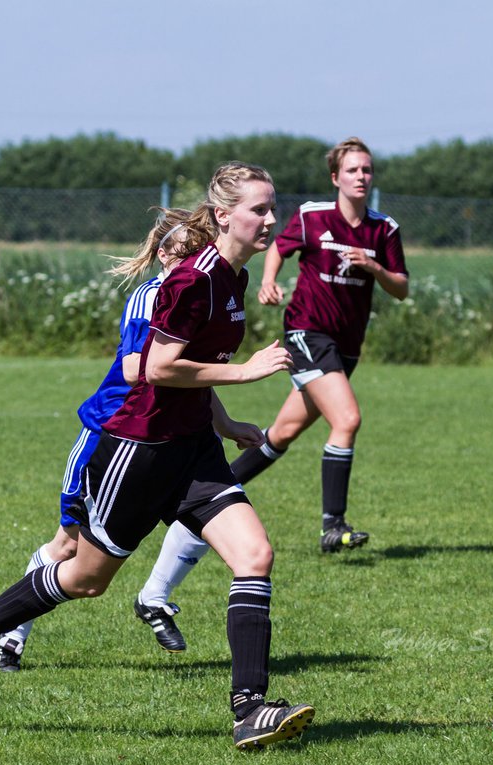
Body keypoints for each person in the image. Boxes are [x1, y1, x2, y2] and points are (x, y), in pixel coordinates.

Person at [0, 162, 316, 750]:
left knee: (255, 554)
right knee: (86, 578)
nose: (272, 219)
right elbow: (154, 368)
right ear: (224, 215)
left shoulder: (233, 278)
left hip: (192, 450)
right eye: (259, 209)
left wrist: (223, 422)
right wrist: (247, 372)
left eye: (273, 207)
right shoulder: (190, 281)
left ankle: (249, 710)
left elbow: (192, 370)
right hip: (139, 450)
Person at [129, 138, 409, 650]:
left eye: (368, 169)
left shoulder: (382, 230)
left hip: (346, 348)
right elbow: (146, 366)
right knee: (346, 419)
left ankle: (162, 580)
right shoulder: (310, 220)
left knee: (272, 441)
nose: (362, 177)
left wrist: (370, 266)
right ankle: (333, 524)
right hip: (305, 334)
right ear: (335, 176)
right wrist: (271, 283)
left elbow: (402, 286)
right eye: (352, 169)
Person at [0, 208, 193, 673]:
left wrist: (224, 424)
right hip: (110, 433)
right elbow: (139, 370)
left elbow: (189, 380)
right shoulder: (152, 297)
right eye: (182, 252)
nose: (191, 262)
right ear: (163, 254)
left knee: (211, 515)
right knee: (67, 545)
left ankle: (155, 596)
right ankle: (8, 637)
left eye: (197, 253)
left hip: (162, 438)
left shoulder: (194, 300)